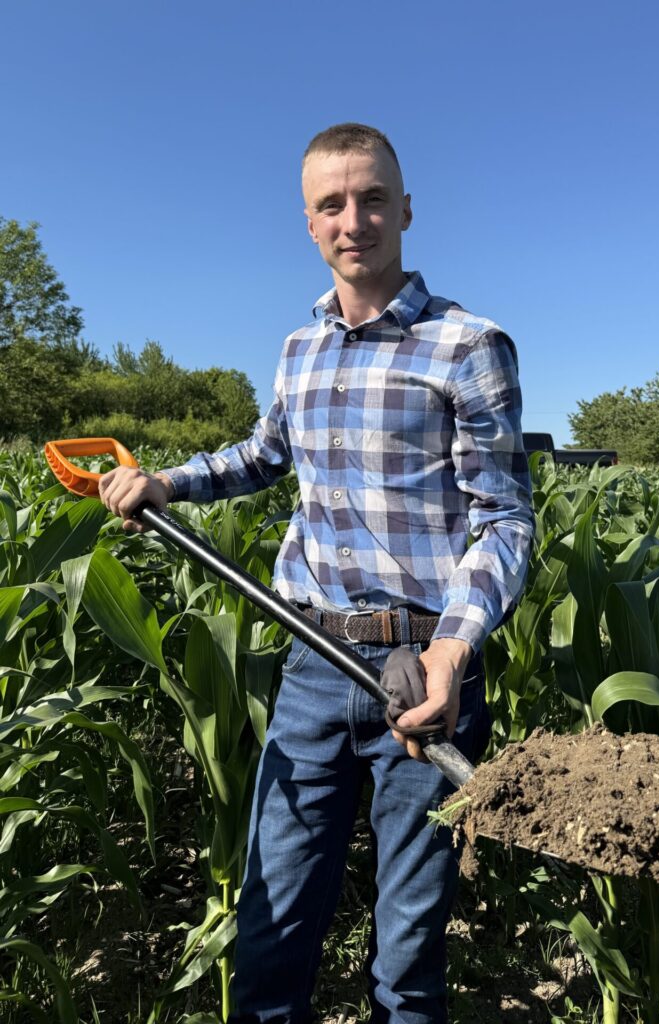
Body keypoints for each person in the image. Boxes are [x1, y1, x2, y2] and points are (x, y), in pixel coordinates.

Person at [98, 123, 534, 1024]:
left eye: (373, 198)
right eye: (332, 204)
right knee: (269, 934)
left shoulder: (468, 344)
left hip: (424, 673)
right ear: (308, 224)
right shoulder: (301, 350)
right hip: (309, 663)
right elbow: (262, 456)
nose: (355, 219)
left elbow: (504, 520)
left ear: (405, 209)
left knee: (407, 963)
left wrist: (454, 653)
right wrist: (164, 482)